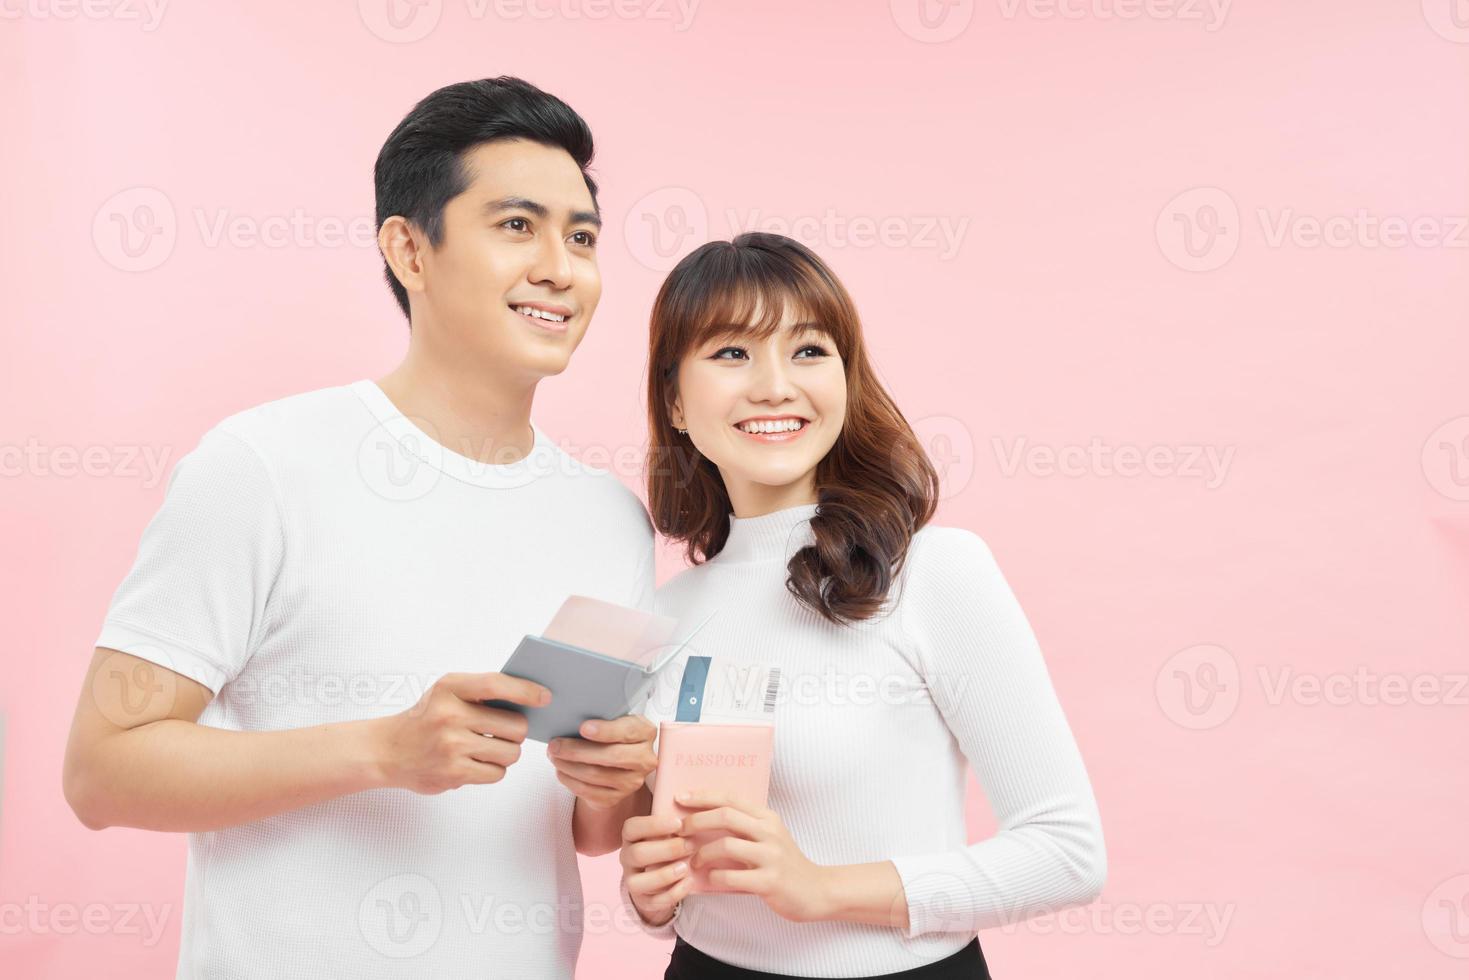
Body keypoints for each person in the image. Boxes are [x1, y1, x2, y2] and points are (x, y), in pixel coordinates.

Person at [62, 76, 659, 979]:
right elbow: (102, 773)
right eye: (516, 226)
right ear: (409, 252)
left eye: (581, 236)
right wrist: (382, 749)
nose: (560, 267)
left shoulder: (609, 518)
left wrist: (616, 782)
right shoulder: (262, 467)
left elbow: (588, 831)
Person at [618, 233, 1107, 978]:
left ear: (847, 379)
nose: (775, 385)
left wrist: (819, 890)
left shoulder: (934, 572)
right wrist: (651, 898)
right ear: (675, 401)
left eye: (809, 350)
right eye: (730, 353)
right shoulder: (663, 613)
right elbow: (679, 869)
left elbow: (1066, 852)